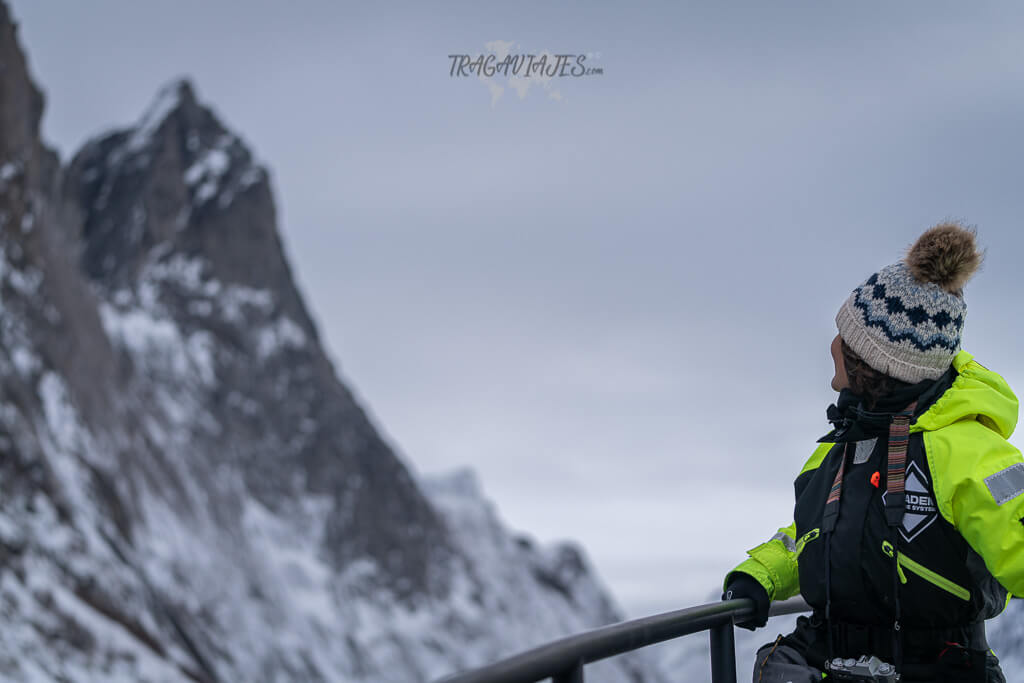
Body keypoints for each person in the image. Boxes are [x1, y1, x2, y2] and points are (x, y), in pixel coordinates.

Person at [723, 223, 1023, 682]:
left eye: (844, 338)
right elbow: (814, 535)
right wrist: (761, 575)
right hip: (831, 660)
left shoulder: (967, 452)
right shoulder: (840, 448)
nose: (831, 347)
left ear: (874, 365)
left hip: (939, 666)